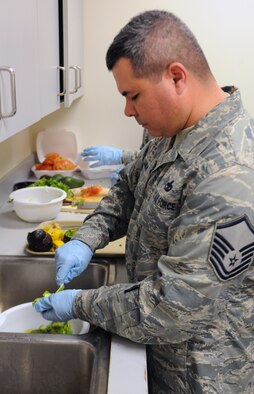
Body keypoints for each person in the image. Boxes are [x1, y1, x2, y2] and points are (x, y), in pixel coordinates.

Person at [34, 10, 254, 393]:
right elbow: (127, 191)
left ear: (176, 77)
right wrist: (86, 238)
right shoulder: (169, 129)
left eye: (133, 96)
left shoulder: (230, 174)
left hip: (202, 373)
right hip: (159, 349)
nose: (128, 110)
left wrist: (79, 304)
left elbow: (173, 307)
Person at [81, 129, 153, 184]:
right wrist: (131, 168)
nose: (127, 113)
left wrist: (122, 156)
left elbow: (154, 156)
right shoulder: (148, 125)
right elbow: (145, 154)